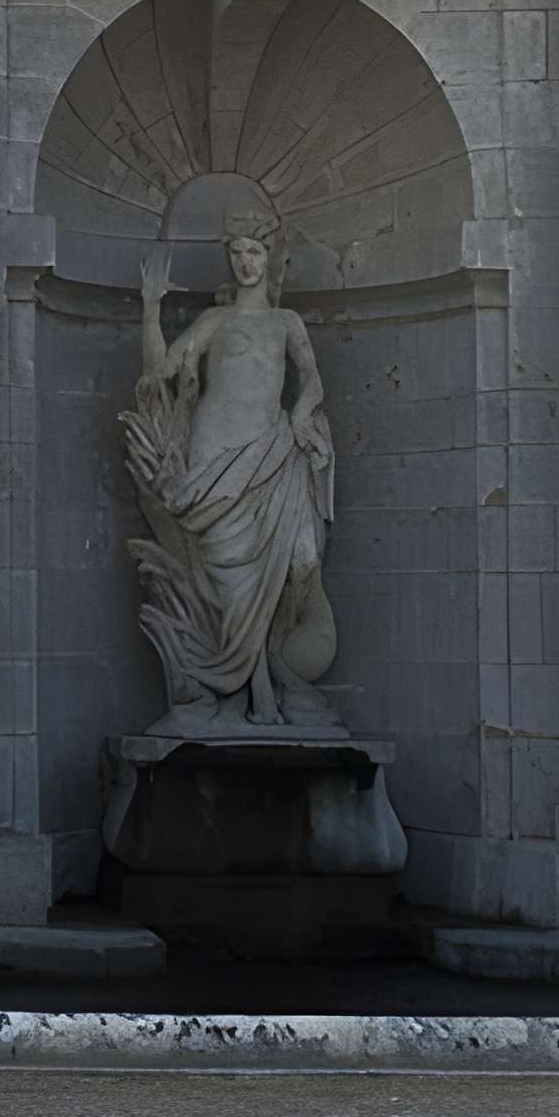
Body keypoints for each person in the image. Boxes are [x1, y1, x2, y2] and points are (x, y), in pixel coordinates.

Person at [126, 204, 337, 726]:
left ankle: (268, 672)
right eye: (238, 253)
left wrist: (302, 417)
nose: (247, 262)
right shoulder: (214, 320)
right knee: (226, 581)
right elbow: (161, 374)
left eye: (256, 252)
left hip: (271, 450)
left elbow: (311, 378)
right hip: (215, 455)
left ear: (271, 259)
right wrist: (151, 310)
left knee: (302, 563)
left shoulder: (285, 322)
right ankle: (252, 687)